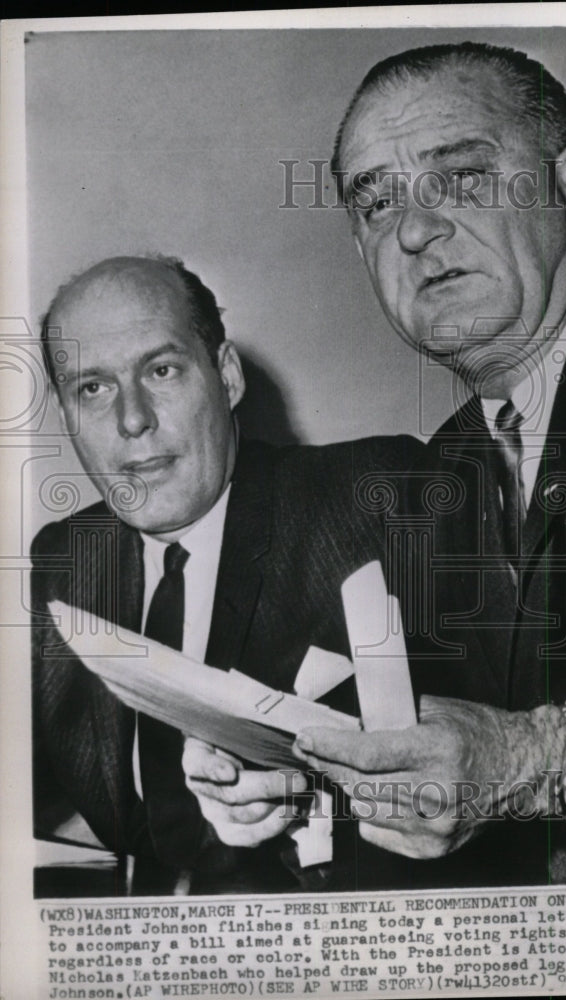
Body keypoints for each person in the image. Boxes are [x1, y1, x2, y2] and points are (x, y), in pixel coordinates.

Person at [286, 42, 566, 884]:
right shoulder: (440, 477)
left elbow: (511, 758)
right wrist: (299, 779)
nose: (414, 230)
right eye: (376, 203)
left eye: (459, 176)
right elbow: (444, 756)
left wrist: (541, 755)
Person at [31, 254, 420, 894]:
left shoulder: (375, 501)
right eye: (93, 389)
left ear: (228, 376)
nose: (132, 419)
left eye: (161, 370)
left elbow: (470, 769)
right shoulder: (60, 564)